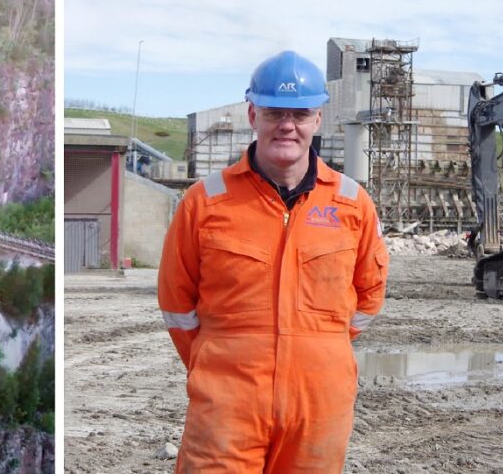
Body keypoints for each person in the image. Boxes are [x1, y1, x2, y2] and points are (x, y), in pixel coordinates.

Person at [156, 50, 389, 472]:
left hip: (319, 406)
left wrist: (320, 346)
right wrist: (220, 360)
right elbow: (176, 303)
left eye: (300, 114)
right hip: (226, 404)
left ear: (318, 118)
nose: (287, 125)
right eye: (274, 112)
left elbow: (369, 296)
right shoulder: (205, 203)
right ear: (252, 114)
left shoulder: (352, 204)